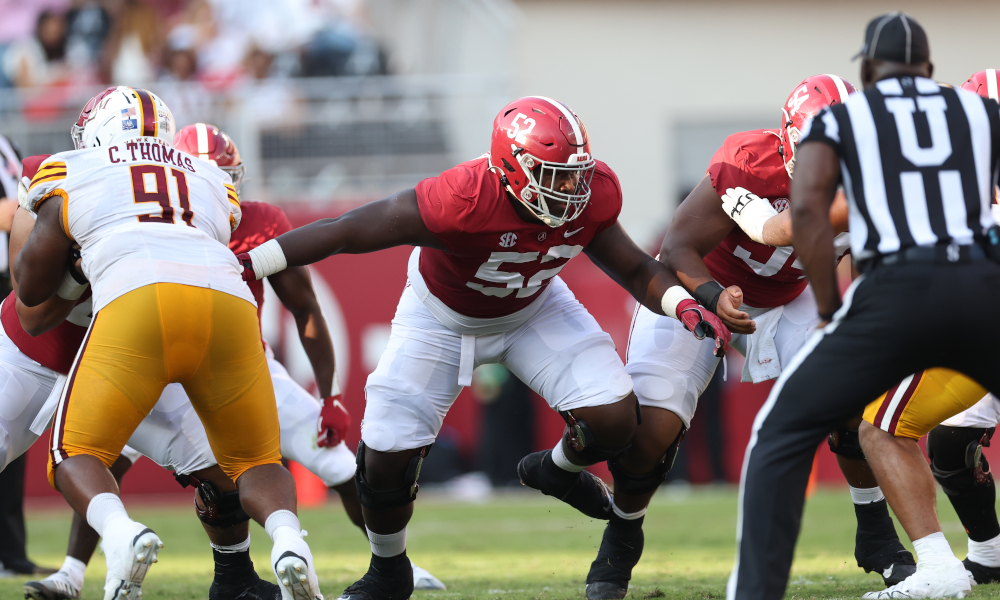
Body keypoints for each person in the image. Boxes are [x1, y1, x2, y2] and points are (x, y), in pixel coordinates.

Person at [238, 95, 731, 600]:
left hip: (534, 308)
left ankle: (556, 471)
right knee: (385, 454)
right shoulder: (462, 197)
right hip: (441, 317)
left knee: (615, 419)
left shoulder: (593, 193)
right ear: (511, 168)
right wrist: (252, 263)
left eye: (575, 173)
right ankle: (388, 571)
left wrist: (680, 304)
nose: (570, 187)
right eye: (554, 174)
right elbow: (345, 231)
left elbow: (630, 264)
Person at [21, 122, 443, 600]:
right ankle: (277, 546)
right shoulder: (196, 196)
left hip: (174, 336)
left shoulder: (101, 185)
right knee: (244, 464)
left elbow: (32, 299)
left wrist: (331, 395)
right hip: (225, 336)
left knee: (87, 452)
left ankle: (385, 562)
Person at [562, 74, 919, 600]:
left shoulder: (879, 180)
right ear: (789, 141)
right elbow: (679, 245)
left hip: (792, 292)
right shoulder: (747, 162)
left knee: (851, 396)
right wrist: (710, 297)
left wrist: (844, 310)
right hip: (701, 282)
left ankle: (876, 535)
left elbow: (865, 257)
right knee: (652, 433)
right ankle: (621, 539)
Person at [727, 13, 1000, 600]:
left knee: (795, 434)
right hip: (986, 291)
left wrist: (828, 308)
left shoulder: (849, 120)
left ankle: (759, 590)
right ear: (928, 70)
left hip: (903, 296)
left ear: (869, 70)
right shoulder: (980, 114)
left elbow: (807, 216)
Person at [14, 86, 322, 600]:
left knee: (74, 452)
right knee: (256, 461)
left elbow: (29, 286)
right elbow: (214, 232)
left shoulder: (72, 168)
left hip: (140, 299)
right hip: (227, 304)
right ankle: (290, 540)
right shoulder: (206, 173)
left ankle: (121, 535)